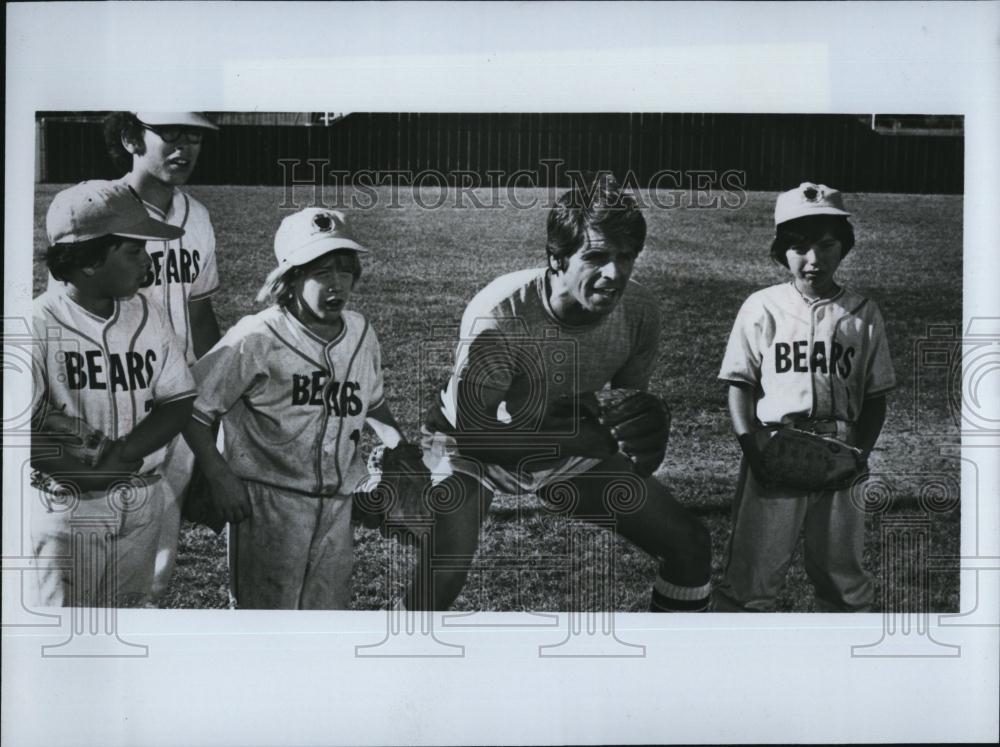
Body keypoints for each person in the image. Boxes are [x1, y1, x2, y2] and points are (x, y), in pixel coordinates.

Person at [409, 174, 713, 612]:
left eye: (626, 257)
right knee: (441, 576)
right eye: (596, 257)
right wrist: (577, 438)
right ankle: (393, 672)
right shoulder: (500, 314)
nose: (615, 273)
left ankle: (666, 671)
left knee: (689, 543)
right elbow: (475, 435)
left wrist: (645, 423)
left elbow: (624, 416)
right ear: (557, 259)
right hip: (476, 444)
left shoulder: (640, 310)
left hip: (563, 437)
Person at [184, 208, 412, 609]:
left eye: (345, 269)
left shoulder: (360, 331)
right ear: (290, 278)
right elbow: (193, 409)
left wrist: (399, 446)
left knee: (326, 620)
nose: (336, 283)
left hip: (337, 508)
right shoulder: (257, 337)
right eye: (321, 271)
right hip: (269, 504)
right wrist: (219, 476)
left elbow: (373, 402)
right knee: (266, 625)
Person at [715, 182, 896, 612]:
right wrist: (751, 446)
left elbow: (875, 398)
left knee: (843, 583)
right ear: (781, 251)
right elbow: (739, 386)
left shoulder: (862, 313)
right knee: (751, 580)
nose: (813, 259)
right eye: (798, 247)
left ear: (845, 247)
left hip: (842, 449)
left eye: (827, 245)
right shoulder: (762, 307)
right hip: (776, 447)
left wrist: (859, 455)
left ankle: (839, 671)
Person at [30, 180, 196, 607]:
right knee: (62, 636)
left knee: (127, 627)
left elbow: (177, 400)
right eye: (134, 250)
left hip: (139, 497)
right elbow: (16, 429)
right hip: (65, 506)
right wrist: (90, 475)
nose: (147, 260)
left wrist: (125, 454)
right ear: (88, 261)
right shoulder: (35, 323)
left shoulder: (147, 312)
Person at [99, 111, 222, 599]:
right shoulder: (98, 210)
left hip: (182, 404)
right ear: (131, 136)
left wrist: (217, 399)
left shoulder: (198, 216)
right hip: (118, 404)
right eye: (169, 133)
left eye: (194, 136)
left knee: (155, 568)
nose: (184, 146)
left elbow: (200, 307)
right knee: (101, 552)